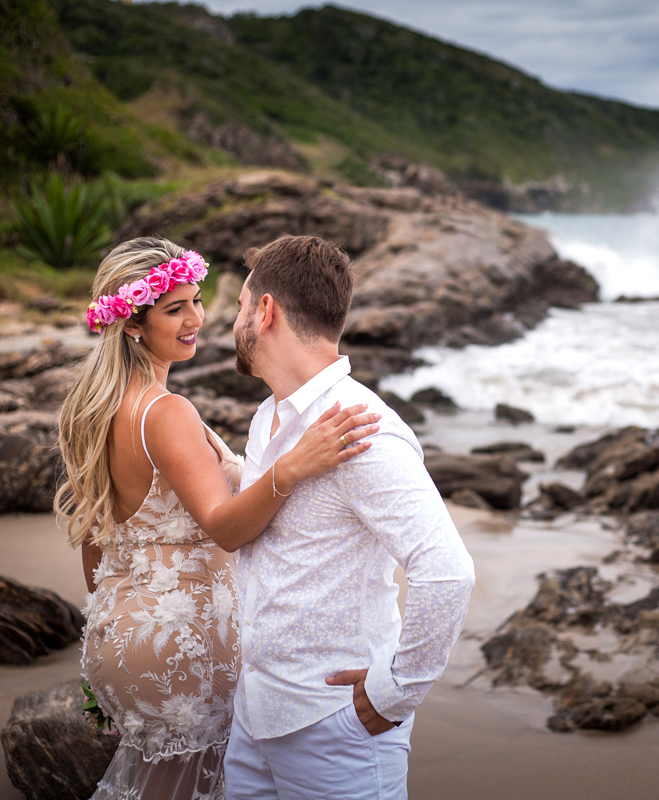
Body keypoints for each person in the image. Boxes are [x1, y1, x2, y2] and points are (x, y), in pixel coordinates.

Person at [55, 237, 381, 800]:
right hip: (183, 643)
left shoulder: (97, 408)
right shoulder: (165, 412)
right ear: (132, 324)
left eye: (197, 301)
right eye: (174, 308)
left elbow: (93, 537)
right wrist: (293, 466)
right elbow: (226, 528)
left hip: (121, 633)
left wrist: (113, 631)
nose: (196, 319)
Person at [223, 234, 476, 800]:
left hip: (334, 727)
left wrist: (395, 693)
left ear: (266, 312)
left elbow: (447, 572)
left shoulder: (365, 431)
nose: (233, 321)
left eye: (240, 306)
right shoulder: (269, 418)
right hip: (256, 716)